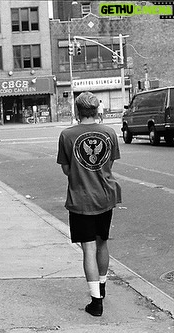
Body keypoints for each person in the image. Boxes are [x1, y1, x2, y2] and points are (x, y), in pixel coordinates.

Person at [56, 91, 121, 317]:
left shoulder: (67, 135)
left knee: (88, 249)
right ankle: (102, 287)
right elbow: (109, 163)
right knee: (102, 243)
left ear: (77, 111)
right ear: (97, 111)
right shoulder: (110, 133)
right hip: (105, 197)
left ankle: (96, 302)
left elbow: (66, 169)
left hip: (81, 199)